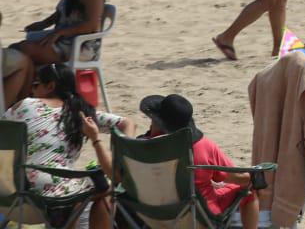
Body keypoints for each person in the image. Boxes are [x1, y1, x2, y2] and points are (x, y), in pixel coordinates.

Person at [4, 63, 130, 229]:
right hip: (54, 194)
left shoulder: (23, 106)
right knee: (105, 188)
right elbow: (126, 123)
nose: (31, 91)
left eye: (35, 85)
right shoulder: (80, 112)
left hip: (13, 192)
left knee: (77, 190)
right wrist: (121, 147)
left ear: (50, 86)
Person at [5, 0, 107, 102]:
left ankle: (22, 101)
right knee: (16, 49)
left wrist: (60, 32)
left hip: (79, 46)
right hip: (64, 39)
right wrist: (44, 24)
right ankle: (23, 99)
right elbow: (63, 12)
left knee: (24, 51)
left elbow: (92, 25)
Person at [141, 94, 260, 229]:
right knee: (249, 190)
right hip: (197, 216)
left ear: (156, 121)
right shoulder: (203, 147)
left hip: (152, 214)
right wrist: (254, 175)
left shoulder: (141, 148)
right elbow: (240, 179)